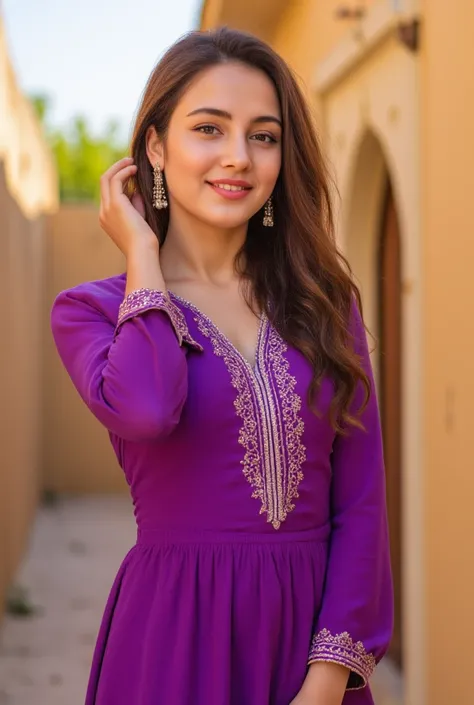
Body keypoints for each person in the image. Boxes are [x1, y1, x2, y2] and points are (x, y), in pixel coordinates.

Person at [51, 27, 393, 705]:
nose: (238, 157)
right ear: (155, 145)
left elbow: (362, 500)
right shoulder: (89, 312)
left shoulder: (324, 301)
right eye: (209, 128)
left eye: (263, 135)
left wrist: (327, 679)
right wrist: (144, 262)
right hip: (174, 640)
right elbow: (147, 409)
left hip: (312, 647)